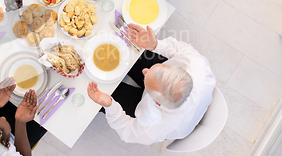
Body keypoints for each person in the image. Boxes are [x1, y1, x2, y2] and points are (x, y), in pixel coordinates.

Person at [87, 23, 216, 145]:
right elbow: (180, 50)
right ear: (178, 68)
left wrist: (109, 105)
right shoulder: (196, 64)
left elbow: (125, 128)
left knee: (97, 95)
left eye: (146, 78)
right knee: (127, 51)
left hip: (160, 116)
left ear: (156, 102)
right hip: (177, 100)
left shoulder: (152, 127)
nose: (145, 70)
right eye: (155, 68)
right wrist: (155, 45)